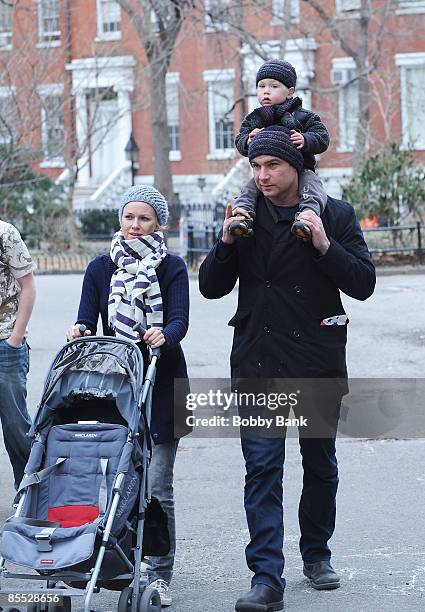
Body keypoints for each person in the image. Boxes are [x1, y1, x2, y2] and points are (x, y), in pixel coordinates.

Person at [199, 126, 376, 612]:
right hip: (259, 360)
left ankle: (317, 554)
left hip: (316, 360)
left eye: (272, 166)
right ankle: (266, 578)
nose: (263, 176)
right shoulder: (244, 216)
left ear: (295, 168)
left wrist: (323, 244)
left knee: (319, 465)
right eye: (255, 167)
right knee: (262, 470)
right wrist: (226, 245)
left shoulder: (333, 214)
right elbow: (211, 288)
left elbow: (363, 283)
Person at [67, 185, 190, 608]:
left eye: (144, 219)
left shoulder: (171, 267)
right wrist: (80, 330)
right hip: (118, 383)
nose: (134, 226)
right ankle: (119, 562)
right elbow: (87, 317)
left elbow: (179, 322)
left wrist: (163, 335)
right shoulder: (100, 268)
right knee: (117, 481)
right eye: (129, 218)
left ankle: (160, 572)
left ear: (159, 225)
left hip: (163, 379)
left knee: (157, 484)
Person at [231, 58, 330, 242]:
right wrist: (248, 140)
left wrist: (305, 139)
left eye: (274, 86)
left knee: (313, 188)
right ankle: (242, 217)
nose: (266, 91)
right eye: (261, 86)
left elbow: (322, 138)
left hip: (302, 169)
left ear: (290, 92)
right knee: (249, 189)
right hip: (268, 170)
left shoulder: (303, 116)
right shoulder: (255, 119)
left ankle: (307, 219)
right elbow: (240, 140)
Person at [0, 220, 36, 493]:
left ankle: (29, 490)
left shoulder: (5, 233)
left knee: (16, 426)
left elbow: (28, 286)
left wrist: (15, 338)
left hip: (4, 344)